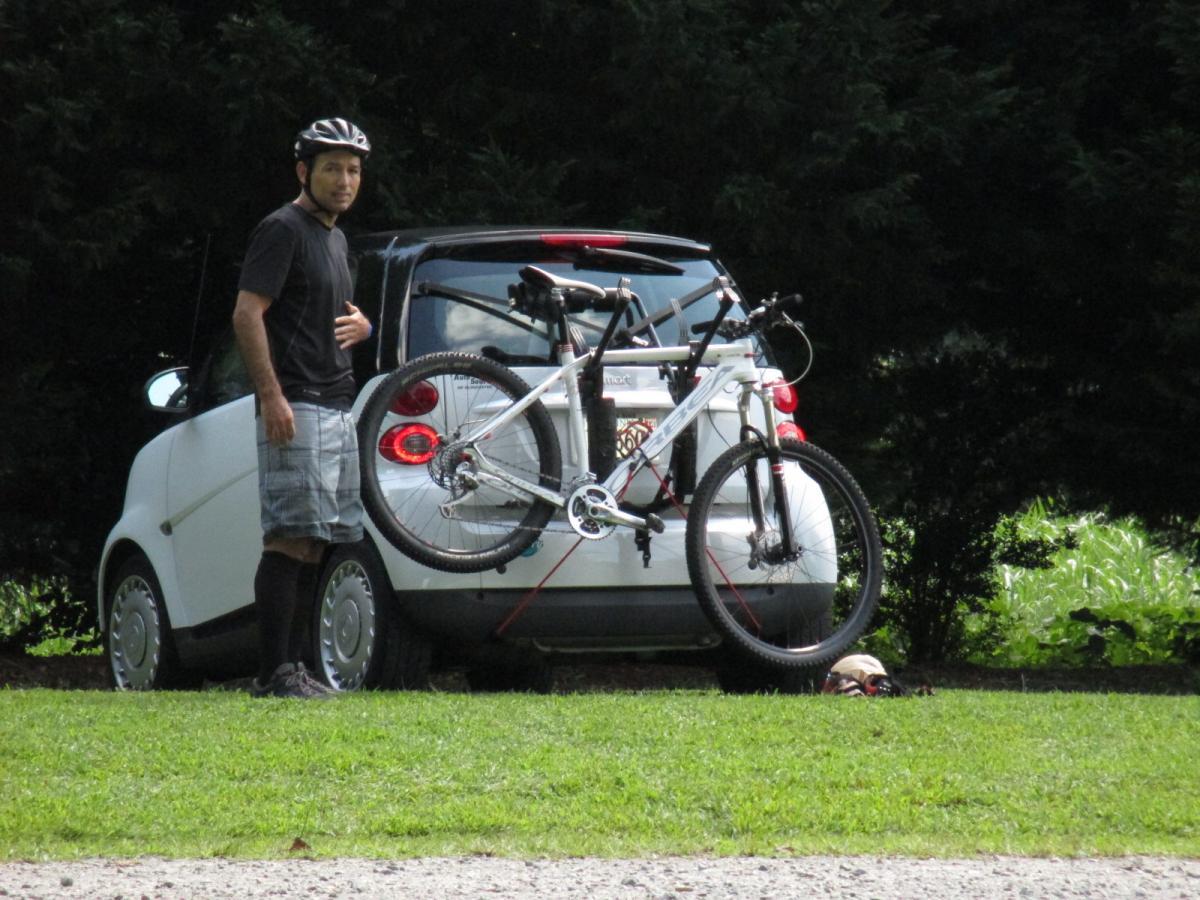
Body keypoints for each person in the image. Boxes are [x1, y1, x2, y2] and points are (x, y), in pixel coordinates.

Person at [231, 117, 373, 698]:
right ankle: (273, 675)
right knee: (288, 537)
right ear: (303, 172)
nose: (345, 180)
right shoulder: (282, 229)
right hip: (298, 402)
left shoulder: (335, 239)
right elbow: (247, 313)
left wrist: (363, 325)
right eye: (333, 168)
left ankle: (299, 670)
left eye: (354, 170)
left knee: (319, 540)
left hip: (338, 404)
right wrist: (271, 396)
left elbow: (321, 313)